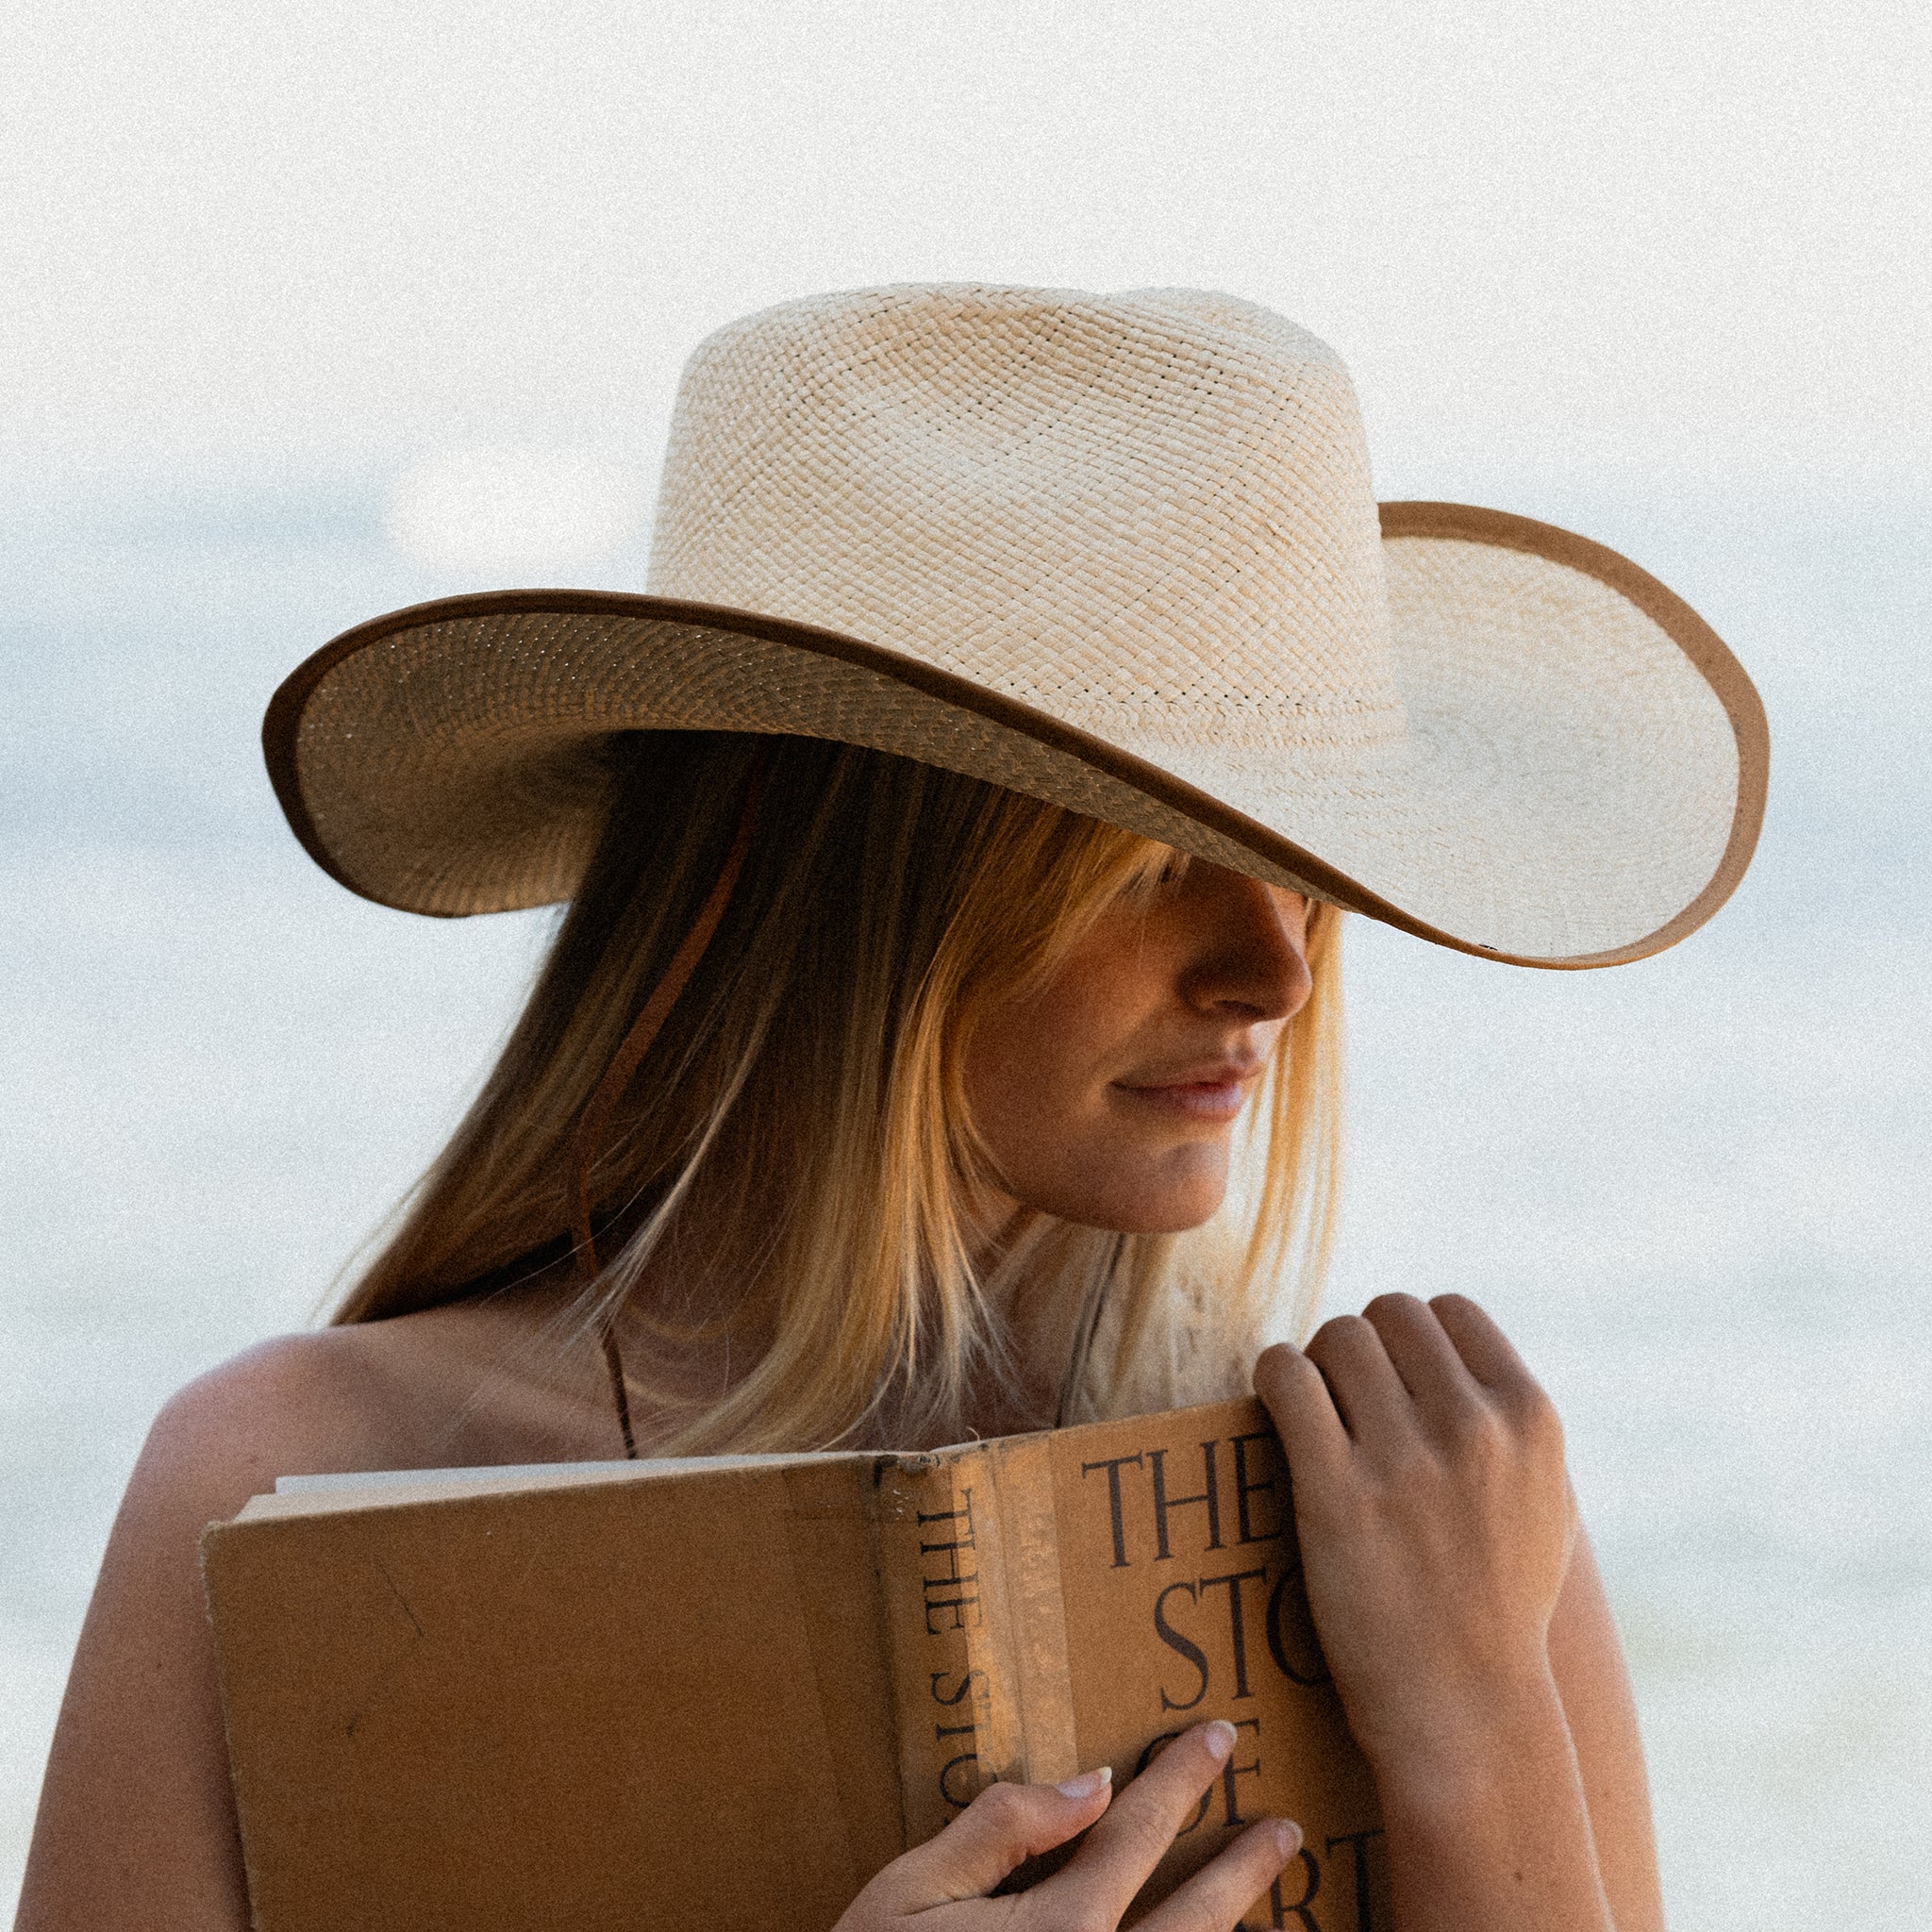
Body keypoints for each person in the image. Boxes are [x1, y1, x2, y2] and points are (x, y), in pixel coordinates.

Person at [18, 284, 1766, 1932]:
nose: (1275, 975)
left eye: (1304, 869)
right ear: (801, 890)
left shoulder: (1415, 1500)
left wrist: (1480, 1735)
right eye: (1152, 864)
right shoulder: (286, 1491)